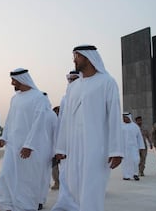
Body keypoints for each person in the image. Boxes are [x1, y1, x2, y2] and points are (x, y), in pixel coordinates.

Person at [51, 45, 124, 211]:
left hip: (96, 148)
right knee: (72, 188)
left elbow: (113, 116)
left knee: (92, 190)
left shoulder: (107, 82)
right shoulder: (73, 87)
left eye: (77, 56)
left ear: (87, 57)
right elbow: (65, 119)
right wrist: (61, 146)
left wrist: (116, 151)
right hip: (73, 148)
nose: (74, 59)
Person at [0, 68, 56, 211]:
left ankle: (26, 206)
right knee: (6, 175)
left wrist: (29, 145)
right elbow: (10, 119)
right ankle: (7, 205)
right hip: (12, 145)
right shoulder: (15, 98)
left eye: (14, 80)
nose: (12, 83)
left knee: (26, 179)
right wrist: (3, 137)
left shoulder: (38, 97)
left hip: (29, 147)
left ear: (21, 79)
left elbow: (39, 123)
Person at [51, 70, 80, 191]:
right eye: (70, 80)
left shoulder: (87, 95)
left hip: (82, 140)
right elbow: (61, 122)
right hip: (67, 142)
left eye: (75, 79)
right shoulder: (64, 99)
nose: (72, 82)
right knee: (66, 170)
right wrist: (59, 146)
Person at [121, 112, 145, 181]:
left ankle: (135, 174)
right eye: (123, 117)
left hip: (134, 148)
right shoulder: (121, 126)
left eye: (125, 117)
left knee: (135, 160)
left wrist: (141, 147)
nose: (124, 119)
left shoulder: (135, 126)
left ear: (129, 118)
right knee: (125, 162)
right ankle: (126, 175)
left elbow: (139, 138)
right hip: (124, 148)